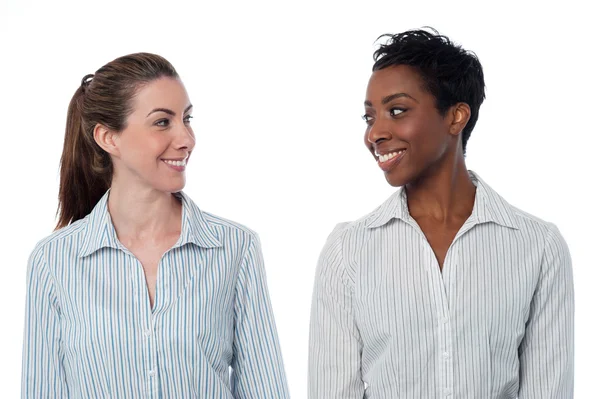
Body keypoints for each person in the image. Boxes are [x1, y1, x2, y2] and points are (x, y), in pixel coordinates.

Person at [308, 29, 574, 398]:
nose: (375, 133)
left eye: (396, 111)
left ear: (456, 117)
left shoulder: (539, 247)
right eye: (370, 117)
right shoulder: (347, 252)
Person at [21, 52, 289, 398]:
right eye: (163, 122)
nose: (186, 139)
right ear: (108, 138)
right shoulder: (53, 261)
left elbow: (265, 389)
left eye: (187, 119)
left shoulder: (235, 248)